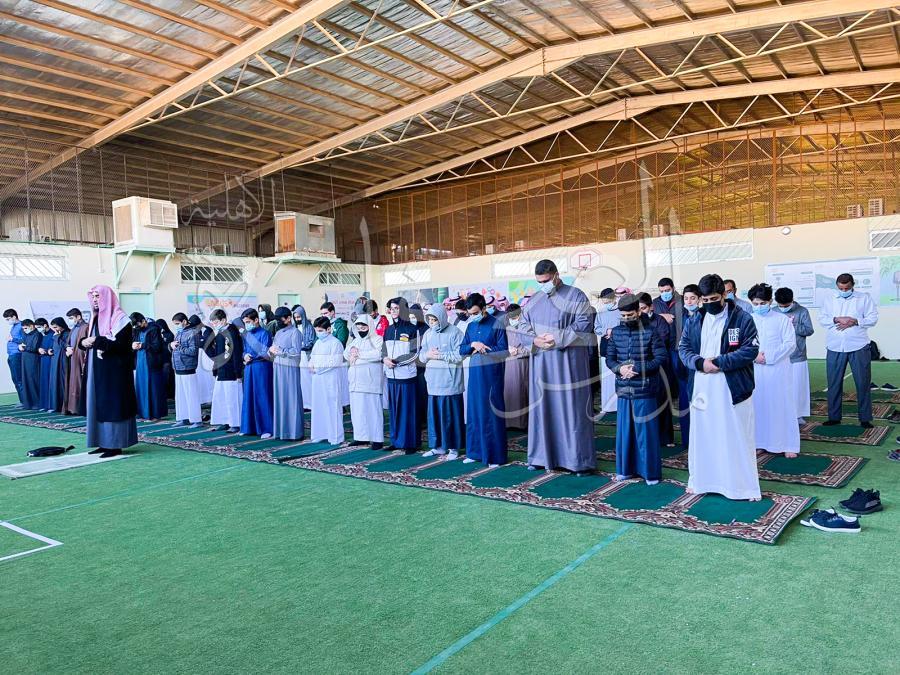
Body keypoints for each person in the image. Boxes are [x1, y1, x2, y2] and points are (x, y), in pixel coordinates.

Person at [679, 274, 760, 501]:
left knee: (735, 435)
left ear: (724, 295)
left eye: (713, 299)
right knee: (704, 435)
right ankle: (702, 481)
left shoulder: (742, 318)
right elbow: (683, 348)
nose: (709, 304)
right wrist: (700, 363)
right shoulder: (694, 320)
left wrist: (719, 362)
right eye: (704, 300)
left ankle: (742, 488)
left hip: (732, 387)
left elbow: (750, 350)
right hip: (701, 385)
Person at [520, 260, 595, 476]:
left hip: (568, 363)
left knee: (572, 409)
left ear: (555, 275)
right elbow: (523, 325)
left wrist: (557, 338)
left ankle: (577, 460)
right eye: (539, 282)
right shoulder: (534, 300)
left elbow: (584, 323)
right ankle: (541, 457)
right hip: (541, 363)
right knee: (543, 408)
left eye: (545, 280)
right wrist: (534, 340)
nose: (542, 285)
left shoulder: (576, 296)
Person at [606, 294, 667, 484]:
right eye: (623, 316)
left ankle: (650, 474)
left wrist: (637, 368)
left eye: (630, 315)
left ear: (639, 311)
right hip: (624, 389)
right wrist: (619, 369)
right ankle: (625, 470)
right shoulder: (616, 332)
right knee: (624, 432)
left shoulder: (651, 331)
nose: (626, 319)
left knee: (646, 433)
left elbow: (660, 357)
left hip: (645, 389)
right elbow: (610, 359)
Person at [80, 285, 138, 457]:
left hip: (114, 373)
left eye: (98, 296)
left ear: (107, 297)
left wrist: (97, 341)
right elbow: (91, 340)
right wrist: (83, 342)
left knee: (113, 406)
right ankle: (102, 442)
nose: (95, 299)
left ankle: (114, 444)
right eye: (93, 296)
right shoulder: (95, 318)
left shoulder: (121, 320)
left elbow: (122, 347)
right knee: (98, 405)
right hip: (97, 369)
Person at [819, 273, 879, 428]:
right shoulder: (829, 299)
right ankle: (834, 417)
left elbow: (873, 318)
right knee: (834, 383)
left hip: (858, 345)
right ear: (837, 286)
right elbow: (822, 319)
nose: (844, 291)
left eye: (847, 288)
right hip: (834, 346)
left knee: (863, 382)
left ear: (853, 285)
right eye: (841, 288)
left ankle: (865, 418)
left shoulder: (864, 298)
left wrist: (856, 321)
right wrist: (836, 319)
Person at [748, 283, 800, 457]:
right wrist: (754, 356)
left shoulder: (781, 319)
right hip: (755, 370)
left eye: (762, 303)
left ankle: (788, 444)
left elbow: (790, 344)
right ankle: (760, 443)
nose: (759, 307)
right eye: (755, 304)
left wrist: (768, 357)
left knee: (781, 405)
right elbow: (742, 344)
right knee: (758, 406)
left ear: (770, 301)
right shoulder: (747, 319)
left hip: (778, 369)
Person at [460, 293, 508, 466]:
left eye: (475, 313)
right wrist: (473, 345)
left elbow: (504, 351)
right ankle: (474, 452)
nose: (473, 316)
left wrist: (484, 349)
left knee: (490, 414)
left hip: (491, 375)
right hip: (474, 375)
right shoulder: (470, 326)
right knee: (474, 412)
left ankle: (494, 456)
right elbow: (462, 349)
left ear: (484, 308)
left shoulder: (497, 324)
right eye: (470, 314)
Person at [419, 303, 465, 460]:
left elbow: (461, 355)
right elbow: (421, 356)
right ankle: (438, 447)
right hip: (433, 382)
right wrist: (428, 355)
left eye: (435, 319)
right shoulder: (428, 334)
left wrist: (441, 355)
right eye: (430, 320)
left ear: (442, 318)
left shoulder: (455, 332)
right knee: (435, 417)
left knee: (450, 417)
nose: (432, 323)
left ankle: (453, 448)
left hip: (450, 383)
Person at [382, 297, 421, 453]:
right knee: (394, 411)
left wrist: (397, 362)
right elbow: (383, 351)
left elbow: (415, 354)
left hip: (406, 377)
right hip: (391, 377)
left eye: (396, 308)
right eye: (391, 308)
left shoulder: (412, 329)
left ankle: (410, 443)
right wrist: (385, 359)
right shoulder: (388, 330)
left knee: (407, 411)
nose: (393, 311)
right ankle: (396, 441)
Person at [638, 293, 674, 447]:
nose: (641, 312)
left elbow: (661, 341)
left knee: (662, 401)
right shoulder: (635, 322)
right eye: (638, 309)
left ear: (651, 307)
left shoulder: (660, 321)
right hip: (643, 368)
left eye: (643, 308)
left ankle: (665, 438)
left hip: (660, 367)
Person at [775, 287, 815, 423]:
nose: (783, 308)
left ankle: (798, 415)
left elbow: (809, 330)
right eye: (780, 306)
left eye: (786, 306)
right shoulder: (773, 312)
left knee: (798, 387)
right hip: (779, 357)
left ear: (792, 301)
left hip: (798, 356)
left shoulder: (802, 311)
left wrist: (793, 326)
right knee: (779, 388)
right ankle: (780, 413)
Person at [345, 314, 385, 449]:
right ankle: (361, 437)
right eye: (359, 328)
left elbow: (378, 354)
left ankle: (377, 439)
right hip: (355, 382)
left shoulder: (378, 339)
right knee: (358, 411)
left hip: (370, 382)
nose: (361, 330)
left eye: (364, 327)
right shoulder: (355, 341)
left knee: (373, 411)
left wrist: (359, 354)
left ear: (370, 327)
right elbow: (346, 354)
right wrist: (352, 352)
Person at [270, 306, 305, 441]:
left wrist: (281, 351)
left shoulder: (295, 333)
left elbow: (296, 352)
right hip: (278, 367)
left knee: (291, 398)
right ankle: (281, 431)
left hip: (290, 368)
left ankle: (294, 432)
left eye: (280, 319)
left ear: (289, 318)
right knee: (280, 398)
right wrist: (271, 351)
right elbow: (274, 348)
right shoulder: (278, 333)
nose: (278, 322)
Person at [205, 309, 243, 433]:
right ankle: (225, 421)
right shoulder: (220, 333)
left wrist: (238, 372)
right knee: (220, 398)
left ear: (223, 320)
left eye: (216, 322)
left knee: (232, 399)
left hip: (231, 371)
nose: (214, 325)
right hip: (221, 370)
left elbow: (236, 354)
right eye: (213, 323)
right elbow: (217, 353)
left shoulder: (231, 332)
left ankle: (235, 423)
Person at [309, 317, 346, 445]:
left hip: (331, 379)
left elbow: (335, 361)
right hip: (318, 380)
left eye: (320, 330)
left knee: (332, 406)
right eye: (317, 331)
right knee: (319, 406)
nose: (318, 333)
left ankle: (335, 436)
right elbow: (312, 357)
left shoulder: (336, 343)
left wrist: (318, 368)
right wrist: (311, 364)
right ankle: (320, 434)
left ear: (329, 329)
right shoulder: (318, 343)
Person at [240, 308, 274, 438]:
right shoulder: (246, 335)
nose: (246, 325)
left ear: (256, 320)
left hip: (262, 367)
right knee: (248, 396)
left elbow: (265, 351)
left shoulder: (264, 333)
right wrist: (245, 356)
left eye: (248, 322)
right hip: (249, 368)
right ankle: (249, 427)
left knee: (263, 396)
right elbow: (244, 350)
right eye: (245, 322)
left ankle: (267, 428)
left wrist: (252, 356)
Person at [676, 284, 701, 447]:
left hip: (699, 363)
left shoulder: (704, 316)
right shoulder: (681, 316)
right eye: (686, 298)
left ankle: (701, 438)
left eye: (692, 298)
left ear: (699, 299)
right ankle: (687, 439)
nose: (689, 301)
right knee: (684, 402)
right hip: (683, 364)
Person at [130, 312, 168, 422]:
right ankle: (143, 413)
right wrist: (133, 346)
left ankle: (155, 414)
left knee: (153, 389)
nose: (136, 327)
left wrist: (142, 345)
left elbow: (157, 347)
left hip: (151, 363)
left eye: (138, 324)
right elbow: (132, 342)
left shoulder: (154, 329)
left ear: (143, 321)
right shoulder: (137, 330)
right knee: (141, 387)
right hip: (140, 362)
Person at [169, 313, 202, 428]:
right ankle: (183, 418)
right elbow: (174, 347)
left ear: (184, 321)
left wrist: (178, 347)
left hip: (188, 368)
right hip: (178, 368)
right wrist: (171, 346)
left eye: (177, 323)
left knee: (191, 395)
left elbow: (193, 351)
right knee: (180, 396)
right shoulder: (179, 332)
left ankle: (196, 420)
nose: (176, 326)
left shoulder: (193, 333)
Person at [503, 303, 531, 431]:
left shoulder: (527, 329)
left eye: (514, 317)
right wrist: (507, 350)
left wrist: (519, 352)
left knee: (522, 391)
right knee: (510, 391)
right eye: (510, 318)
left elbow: (533, 348)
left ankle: (523, 423)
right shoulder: (507, 329)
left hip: (522, 364)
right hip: (508, 364)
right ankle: (509, 422)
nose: (512, 320)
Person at [594, 287, 620, 415]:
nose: (607, 304)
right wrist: (606, 331)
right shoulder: (601, 312)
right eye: (604, 302)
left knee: (618, 376)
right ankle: (607, 406)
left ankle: (619, 405)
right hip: (605, 346)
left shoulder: (621, 311)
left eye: (608, 301)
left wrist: (614, 332)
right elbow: (596, 328)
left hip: (619, 346)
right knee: (606, 377)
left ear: (614, 298)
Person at [64, 308, 89, 416]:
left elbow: (85, 345)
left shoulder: (86, 327)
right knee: (72, 383)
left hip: (80, 359)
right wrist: (68, 348)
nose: (70, 320)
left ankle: (80, 408)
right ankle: (72, 408)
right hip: (72, 358)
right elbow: (69, 342)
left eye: (71, 318)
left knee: (79, 383)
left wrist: (75, 351)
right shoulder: (74, 328)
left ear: (78, 317)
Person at [291, 304, 316, 411]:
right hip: (296, 357)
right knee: (300, 381)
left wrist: (301, 346)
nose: (297, 319)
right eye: (295, 317)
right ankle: (302, 403)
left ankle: (310, 404)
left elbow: (311, 342)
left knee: (307, 381)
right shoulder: (293, 327)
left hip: (306, 356)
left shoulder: (309, 327)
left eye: (299, 317)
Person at [189, 314, 215, 406]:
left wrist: (199, 341)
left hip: (208, 357)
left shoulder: (208, 330)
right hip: (198, 358)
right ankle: (202, 398)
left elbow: (205, 343)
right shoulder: (194, 331)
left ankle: (211, 397)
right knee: (200, 378)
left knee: (209, 378)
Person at [47, 317, 69, 413]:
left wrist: (57, 337)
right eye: (53, 327)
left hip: (62, 361)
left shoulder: (67, 333)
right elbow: (55, 345)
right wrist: (50, 350)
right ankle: (56, 405)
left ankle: (64, 406)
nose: (54, 329)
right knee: (55, 382)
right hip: (55, 360)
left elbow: (65, 346)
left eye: (56, 327)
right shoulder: (57, 334)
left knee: (62, 382)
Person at [4, 308, 25, 405]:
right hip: (11, 354)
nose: (7, 321)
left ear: (14, 317)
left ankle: (24, 401)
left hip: (17, 354)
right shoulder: (14, 326)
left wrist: (12, 339)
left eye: (8, 319)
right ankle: (22, 400)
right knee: (15, 379)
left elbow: (25, 339)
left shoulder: (22, 325)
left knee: (19, 378)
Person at [36, 318, 53, 411]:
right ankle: (44, 404)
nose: (38, 329)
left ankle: (51, 405)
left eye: (39, 327)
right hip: (43, 360)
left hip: (50, 361)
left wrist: (46, 351)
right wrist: (39, 349)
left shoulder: (53, 334)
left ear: (45, 325)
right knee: (43, 382)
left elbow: (54, 348)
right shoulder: (42, 335)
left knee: (50, 382)